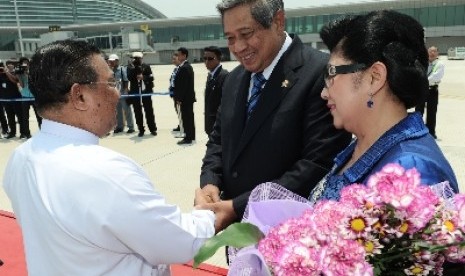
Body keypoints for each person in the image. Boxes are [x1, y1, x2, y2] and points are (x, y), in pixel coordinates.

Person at [3, 40, 215, 276]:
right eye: (111, 83)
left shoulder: (20, 158)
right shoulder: (105, 172)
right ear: (79, 96)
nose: (117, 93)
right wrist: (206, 212)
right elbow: (184, 243)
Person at [197, 0, 352, 232]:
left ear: (278, 21)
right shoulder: (234, 80)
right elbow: (219, 140)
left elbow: (317, 164)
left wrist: (238, 207)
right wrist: (210, 182)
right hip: (237, 231)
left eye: (246, 33)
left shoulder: (320, 73)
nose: (238, 47)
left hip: (291, 237)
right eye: (230, 38)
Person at [308, 10, 459, 204]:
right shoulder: (365, 143)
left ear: (375, 77)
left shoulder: (412, 174)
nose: (324, 92)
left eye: (331, 73)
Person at [415, 46, 444, 139]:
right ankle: (417, 130)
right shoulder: (422, 63)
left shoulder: (440, 64)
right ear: (427, 53)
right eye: (430, 51)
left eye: (434, 51)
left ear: (437, 54)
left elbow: (436, 77)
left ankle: (431, 132)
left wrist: (423, 81)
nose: (432, 53)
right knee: (419, 111)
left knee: (432, 112)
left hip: (432, 90)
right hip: (422, 90)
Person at [126, 51, 157, 137]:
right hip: (135, 92)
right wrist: (134, 69)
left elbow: (151, 77)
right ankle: (141, 129)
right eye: (135, 58)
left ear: (142, 58)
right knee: (137, 111)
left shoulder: (146, 66)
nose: (136, 60)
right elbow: (129, 77)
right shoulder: (130, 67)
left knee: (149, 110)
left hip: (145, 91)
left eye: (138, 58)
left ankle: (152, 129)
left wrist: (144, 77)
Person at [203, 46, 229, 135]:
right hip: (210, 124)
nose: (206, 62)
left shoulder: (225, 76)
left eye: (210, 58)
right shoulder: (210, 75)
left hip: (219, 127)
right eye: (204, 58)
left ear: (219, 59)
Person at [172, 47, 196, 145]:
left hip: (185, 99)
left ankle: (188, 138)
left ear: (184, 55)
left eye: (179, 54)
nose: (178, 56)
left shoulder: (185, 68)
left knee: (187, 119)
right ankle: (190, 136)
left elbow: (183, 86)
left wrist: (179, 98)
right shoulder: (184, 67)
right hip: (186, 98)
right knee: (188, 118)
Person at [107, 53, 135, 134]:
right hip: (114, 93)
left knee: (127, 110)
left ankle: (131, 127)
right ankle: (120, 127)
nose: (111, 63)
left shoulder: (122, 69)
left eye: (113, 61)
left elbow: (125, 80)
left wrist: (126, 90)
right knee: (117, 111)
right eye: (110, 61)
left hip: (122, 92)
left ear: (117, 61)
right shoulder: (110, 71)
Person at [17, 57, 42, 138]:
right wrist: (19, 76)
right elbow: (22, 85)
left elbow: (37, 82)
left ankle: (42, 132)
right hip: (25, 96)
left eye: (27, 63)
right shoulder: (20, 73)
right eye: (23, 63)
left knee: (39, 115)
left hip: (34, 96)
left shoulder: (34, 72)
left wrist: (29, 74)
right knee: (25, 116)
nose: (26, 64)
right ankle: (27, 133)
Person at [0, 60, 25, 139]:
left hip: (16, 98)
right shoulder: (1, 74)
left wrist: (7, 72)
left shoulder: (14, 72)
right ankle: (12, 132)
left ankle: (23, 132)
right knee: (10, 117)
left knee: (20, 117)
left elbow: (15, 81)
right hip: (6, 99)